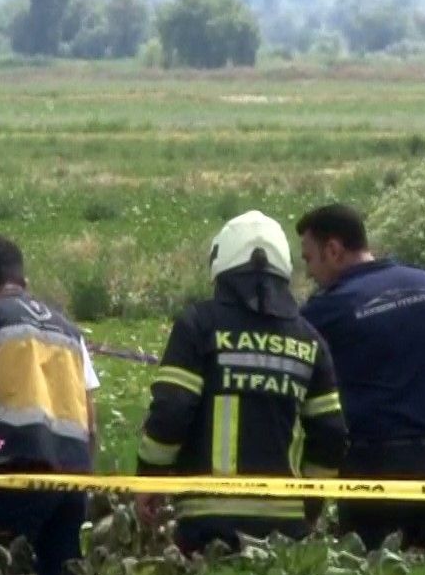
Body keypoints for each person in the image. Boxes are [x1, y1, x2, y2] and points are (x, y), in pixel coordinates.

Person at [134, 210, 349, 555]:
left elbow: (172, 409)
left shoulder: (198, 326)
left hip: (209, 521)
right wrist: (311, 502)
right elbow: (331, 432)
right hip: (285, 526)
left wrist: (150, 477)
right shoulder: (309, 341)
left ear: (221, 265)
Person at [295, 203, 425, 554]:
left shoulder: (324, 310)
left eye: (309, 259)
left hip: (372, 470)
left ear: (333, 250)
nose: (309, 272)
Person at [0, 234, 99, 575]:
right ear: (24, 282)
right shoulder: (70, 329)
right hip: (72, 478)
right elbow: (90, 420)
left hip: (12, 473)